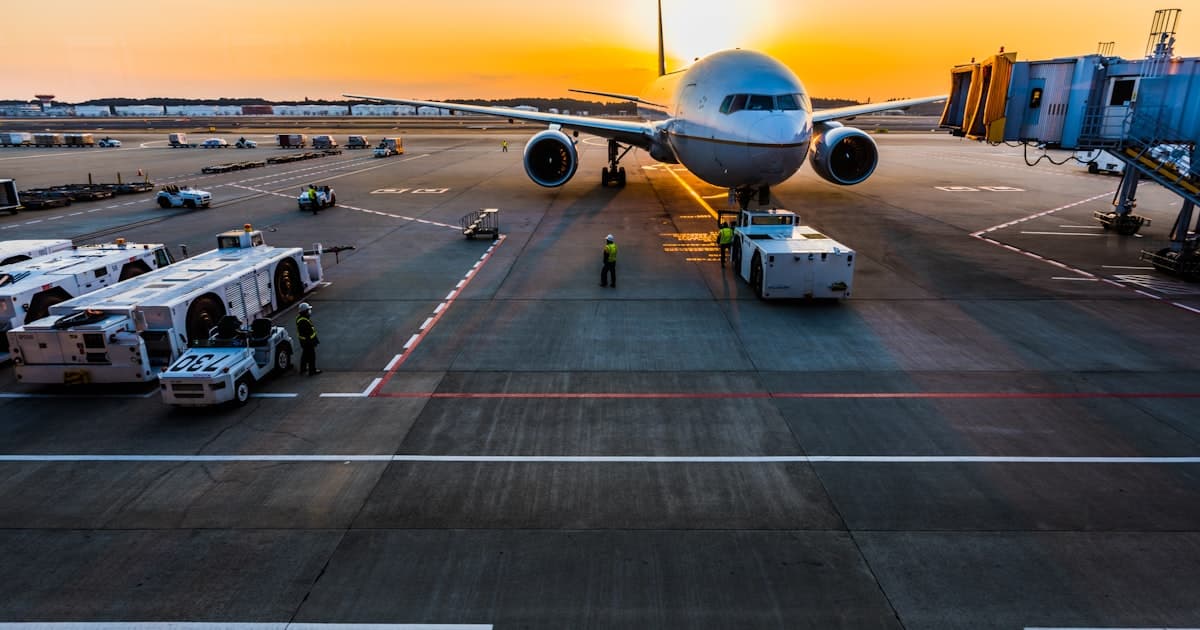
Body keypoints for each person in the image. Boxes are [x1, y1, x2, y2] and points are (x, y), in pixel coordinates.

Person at [295, 302, 321, 375]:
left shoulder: (300, 319)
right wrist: (312, 342)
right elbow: (308, 334)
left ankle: (303, 369)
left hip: (304, 342)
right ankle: (312, 370)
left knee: (305, 355)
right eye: (308, 310)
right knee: (311, 357)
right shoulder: (303, 321)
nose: (309, 312)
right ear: (305, 312)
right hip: (308, 342)